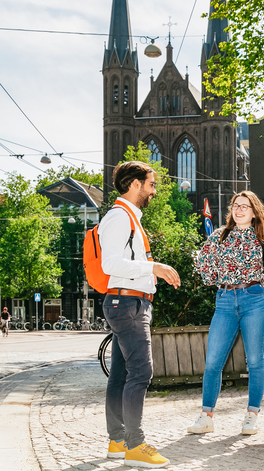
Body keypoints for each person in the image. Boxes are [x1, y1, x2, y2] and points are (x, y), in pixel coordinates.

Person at [100, 161, 181, 469]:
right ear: (134, 184)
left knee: (121, 375)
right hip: (128, 305)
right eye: (151, 184)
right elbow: (111, 264)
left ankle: (118, 442)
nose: (153, 190)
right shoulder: (120, 217)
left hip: (130, 303)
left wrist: (152, 272)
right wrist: (154, 267)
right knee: (141, 374)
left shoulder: (129, 217)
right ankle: (135, 445)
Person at [188, 191, 264, 436]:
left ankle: (251, 415)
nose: (239, 210)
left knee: (255, 361)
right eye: (236, 206)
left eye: (245, 207)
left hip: (254, 301)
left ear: (254, 211)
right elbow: (202, 261)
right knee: (213, 361)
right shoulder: (219, 236)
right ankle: (206, 417)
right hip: (225, 301)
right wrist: (217, 279)